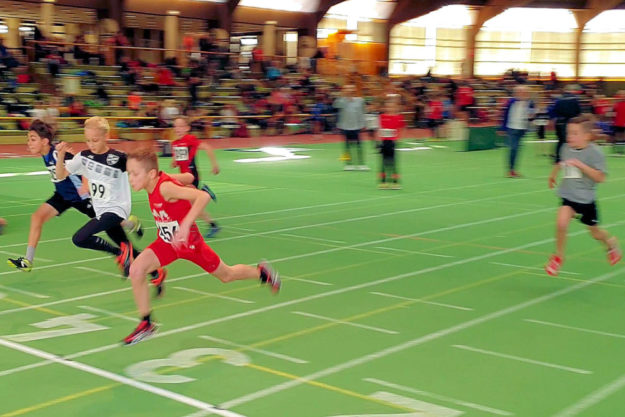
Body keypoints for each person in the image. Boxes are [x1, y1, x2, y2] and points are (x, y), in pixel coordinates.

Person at [123, 149, 281, 344]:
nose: (130, 178)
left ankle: (262, 273)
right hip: (168, 243)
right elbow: (187, 176)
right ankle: (146, 324)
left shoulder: (164, 188)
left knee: (227, 275)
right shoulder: (157, 180)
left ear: (151, 174)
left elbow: (202, 197)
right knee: (137, 270)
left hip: (190, 243)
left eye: (134, 173)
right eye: (128, 173)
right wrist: (186, 178)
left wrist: (186, 224)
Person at [54, 117, 166, 288]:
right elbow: (60, 175)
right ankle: (156, 272)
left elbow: (141, 171)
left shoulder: (118, 158)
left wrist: (161, 183)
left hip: (117, 209)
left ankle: (118, 253)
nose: (91, 144)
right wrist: (60, 155)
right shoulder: (83, 157)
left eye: (95, 140)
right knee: (131, 250)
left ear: (106, 136)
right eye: (88, 140)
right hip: (102, 211)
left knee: (79, 238)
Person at [545, 114, 621, 276]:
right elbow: (562, 163)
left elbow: (600, 177)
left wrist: (581, 165)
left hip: (586, 200)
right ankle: (558, 256)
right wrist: (553, 175)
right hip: (568, 196)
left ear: (586, 136)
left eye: (574, 133)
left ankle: (611, 243)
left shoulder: (595, 153)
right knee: (561, 223)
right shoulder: (566, 148)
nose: (569, 137)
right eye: (568, 133)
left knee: (594, 232)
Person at [171, 116, 221, 238]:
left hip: (191, 176)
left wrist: (214, 165)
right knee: (193, 205)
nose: (178, 128)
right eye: (176, 126)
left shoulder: (190, 139)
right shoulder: (175, 143)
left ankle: (187, 229)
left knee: (186, 203)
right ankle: (213, 225)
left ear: (187, 128)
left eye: (181, 126)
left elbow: (208, 147)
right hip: (183, 176)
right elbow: (179, 160)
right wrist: (174, 162)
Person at [499, 85, 534, 178]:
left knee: (517, 150)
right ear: (516, 93)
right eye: (520, 92)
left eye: (525, 92)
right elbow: (505, 115)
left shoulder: (530, 103)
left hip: (522, 129)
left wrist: (532, 117)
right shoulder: (511, 102)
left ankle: (513, 169)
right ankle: (511, 170)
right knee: (513, 149)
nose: (523, 94)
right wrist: (502, 128)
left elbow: (531, 117)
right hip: (512, 128)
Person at [334, 84, 367, 171]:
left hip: (356, 126)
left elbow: (361, 113)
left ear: (354, 90)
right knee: (347, 146)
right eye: (346, 88)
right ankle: (348, 164)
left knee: (359, 146)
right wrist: (342, 95)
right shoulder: (341, 101)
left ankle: (361, 164)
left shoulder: (360, 100)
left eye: (351, 88)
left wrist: (363, 124)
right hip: (345, 126)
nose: (349, 90)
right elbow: (335, 105)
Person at [377, 94, 405, 190]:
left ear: (395, 108)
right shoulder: (382, 116)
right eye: (388, 106)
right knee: (383, 162)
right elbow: (379, 129)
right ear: (385, 107)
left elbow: (400, 129)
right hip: (384, 142)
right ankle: (383, 181)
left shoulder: (398, 117)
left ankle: (395, 182)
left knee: (393, 162)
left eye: (392, 106)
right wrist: (378, 141)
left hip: (392, 142)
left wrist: (398, 138)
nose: (390, 108)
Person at [551, 85, 581, 163]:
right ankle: (569, 157)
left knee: (560, 140)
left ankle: (558, 158)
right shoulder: (574, 99)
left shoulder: (558, 99)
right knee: (569, 140)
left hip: (559, 122)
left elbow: (553, 110)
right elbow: (578, 111)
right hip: (570, 122)